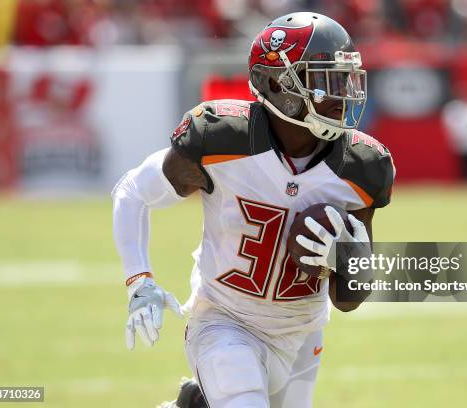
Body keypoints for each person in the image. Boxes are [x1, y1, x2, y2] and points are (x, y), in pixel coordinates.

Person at [112, 12, 395, 408]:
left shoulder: (363, 165)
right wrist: (139, 280)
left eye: (345, 78)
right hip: (225, 318)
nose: (341, 93)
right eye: (325, 79)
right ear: (279, 84)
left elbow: (350, 298)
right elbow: (132, 191)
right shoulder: (221, 137)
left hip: (303, 332)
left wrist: (349, 256)